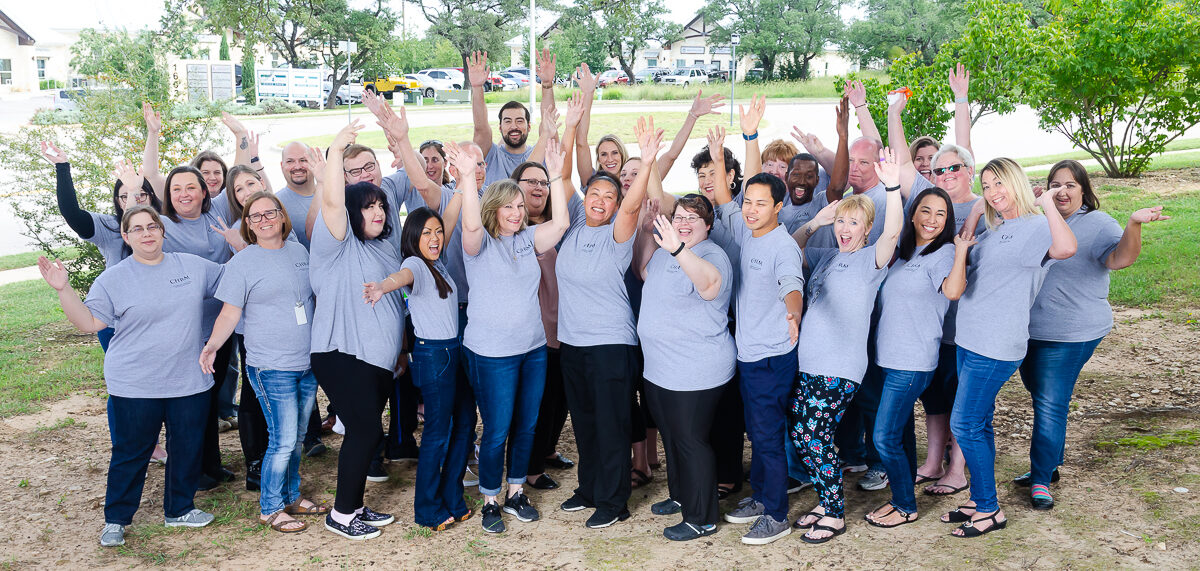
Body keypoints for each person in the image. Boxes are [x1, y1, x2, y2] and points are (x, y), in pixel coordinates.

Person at [38, 206, 221, 547]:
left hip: (189, 379)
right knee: (132, 451)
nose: (146, 233)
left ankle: (179, 509)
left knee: (186, 446)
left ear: (162, 231)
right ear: (125, 236)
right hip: (136, 383)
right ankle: (117, 519)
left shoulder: (193, 267)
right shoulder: (113, 279)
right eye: (137, 229)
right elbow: (89, 323)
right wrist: (64, 289)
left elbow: (236, 283)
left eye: (152, 226)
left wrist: (243, 243)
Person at [1016, 160, 1168, 509]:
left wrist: (1134, 223)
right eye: (1056, 184)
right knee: (1041, 392)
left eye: (1071, 185)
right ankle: (1050, 462)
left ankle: (1040, 480)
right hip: (1030, 330)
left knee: (1049, 402)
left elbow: (1120, 258)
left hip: (1073, 331)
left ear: (1083, 190)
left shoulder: (1097, 224)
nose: (1063, 191)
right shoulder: (1037, 220)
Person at [943, 157, 1077, 538]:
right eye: (986, 186)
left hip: (997, 344)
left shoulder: (1037, 227)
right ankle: (977, 497)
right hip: (969, 339)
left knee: (964, 424)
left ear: (1016, 181)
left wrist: (1047, 201)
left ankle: (989, 510)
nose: (992, 193)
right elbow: (968, 250)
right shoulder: (997, 228)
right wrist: (971, 224)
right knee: (979, 422)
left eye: (998, 183)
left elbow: (1066, 248)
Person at [789, 148, 904, 544]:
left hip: (839, 368)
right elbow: (790, 249)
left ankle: (834, 513)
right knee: (804, 436)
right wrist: (815, 221)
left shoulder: (872, 260)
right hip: (810, 365)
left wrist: (891, 187)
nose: (844, 227)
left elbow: (893, 233)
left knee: (814, 434)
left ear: (866, 228)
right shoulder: (827, 256)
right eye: (841, 220)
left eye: (853, 222)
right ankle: (825, 498)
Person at [460, 127, 571, 533]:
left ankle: (516, 492)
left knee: (527, 425)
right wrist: (467, 175)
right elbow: (471, 225)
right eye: (508, 207)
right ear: (494, 208)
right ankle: (490, 497)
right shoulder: (478, 244)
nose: (516, 213)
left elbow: (560, 222)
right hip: (491, 353)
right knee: (497, 429)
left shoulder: (528, 238)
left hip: (533, 348)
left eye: (520, 206)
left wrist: (557, 176)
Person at [198, 192, 325, 533]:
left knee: (297, 437)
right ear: (249, 225)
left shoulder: (299, 252)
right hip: (271, 365)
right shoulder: (243, 263)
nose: (265, 219)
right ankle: (269, 507)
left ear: (282, 217)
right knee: (282, 439)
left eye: (271, 213)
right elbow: (229, 313)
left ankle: (292, 495)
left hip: (306, 362)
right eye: (256, 216)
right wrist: (211, 346)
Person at [555, 115, 660, 528]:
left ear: (617, 205)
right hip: (573, 344)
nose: (599, 200)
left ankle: (614, 503)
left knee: (612, 424)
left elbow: (634, 206)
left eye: (608, 196)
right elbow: (563, 177)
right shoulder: (577, 223)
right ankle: (590, 488)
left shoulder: (619, 233)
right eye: (593, 193)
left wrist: (647, 161)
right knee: (583, 420)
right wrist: (569, 128)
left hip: (611, 345)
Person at [365, 144, 471, 531]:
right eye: (426, 232)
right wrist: (382, 287)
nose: (435, 237)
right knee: (438, 433)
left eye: (438, 232)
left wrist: (462, 180)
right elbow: (402, 278)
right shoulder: (415, 263)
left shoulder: (439, 260)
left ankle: (453, 497)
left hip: (455, 353)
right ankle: (427, 508)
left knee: (463, 425)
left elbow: (452, 215)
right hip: (434, 357)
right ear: (413, 236)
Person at [309, 120, 404, 540]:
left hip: (378, 360)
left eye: (381, 205)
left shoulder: (383, 245)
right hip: (342, 353)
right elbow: (332, 204)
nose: (378, 212)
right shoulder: (336, 243)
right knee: (365, 430)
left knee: (369, 432)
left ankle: (356, 505)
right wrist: (335, 152)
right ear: (351, 214)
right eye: (368, 206)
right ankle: (341, 514)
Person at [711, 120, 805, 544]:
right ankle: (764, 497)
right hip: (749, 354)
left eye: (760, 204)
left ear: (778, 207)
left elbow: (792, 285)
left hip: (770, 357)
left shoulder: (781, 245)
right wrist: (746, 140)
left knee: (767, 436)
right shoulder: (751, 233)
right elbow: (743, 184)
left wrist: (794, 314)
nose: (750, 208)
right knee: (759, 431)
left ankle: (777, 514)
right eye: (748, 202)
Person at [863, 186, 968, 529]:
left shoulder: (944, 254)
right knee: (901, 433)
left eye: (941, 214)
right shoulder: (907, 253)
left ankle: (904, 505)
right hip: (888, 358)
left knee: (883, 437)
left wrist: (961, 252)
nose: (932, 220)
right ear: (913, 214)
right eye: (926, 211)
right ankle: (903, 491)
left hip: (913, 361)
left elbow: (953, 291)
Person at [637, 193, 735, 542]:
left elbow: (709, 286)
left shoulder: (712, 255)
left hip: (695, 371)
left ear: (708, 225)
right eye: (679, 215)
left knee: (691, 441)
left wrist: (678, 248)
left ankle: (702, 517)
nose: (684, 222)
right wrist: (649, 230)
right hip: (661, 369)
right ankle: (680, 496)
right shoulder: (667, 251)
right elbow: (644, 271)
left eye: (694, 217)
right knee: (673, 438)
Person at [42, 142, 162, 347]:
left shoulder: (165, 227)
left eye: (141, 193)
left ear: (152, 197)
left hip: (159, 322)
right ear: (118, 201)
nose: (135, 198)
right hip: (117, 327)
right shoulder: (108, 227)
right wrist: (63, 167)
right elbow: (72, 214)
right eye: (126, 195)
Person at [467, 50, 551, 187]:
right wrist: (477, 87)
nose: (514, 126)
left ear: (529, 126)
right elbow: (481, 129)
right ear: (500, 127)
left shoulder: (540, 151)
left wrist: (547, 84)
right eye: (507, 121)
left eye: (519, 121)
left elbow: (549, 121)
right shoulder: (491, 155)